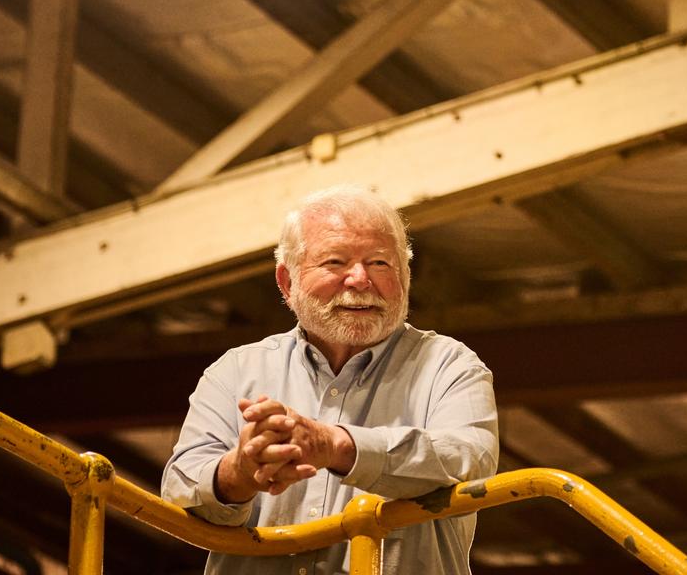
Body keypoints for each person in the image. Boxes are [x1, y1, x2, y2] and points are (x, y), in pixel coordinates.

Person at [162, 184, 499, 574]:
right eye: (336, 262)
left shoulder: (450, 365)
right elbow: (179, 493)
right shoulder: (235, 371)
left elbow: (471, 459)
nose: (359, 279)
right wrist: (239, 471)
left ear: (405, 278)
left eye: (380, 263)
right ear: (287, 283)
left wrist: (337, 446)